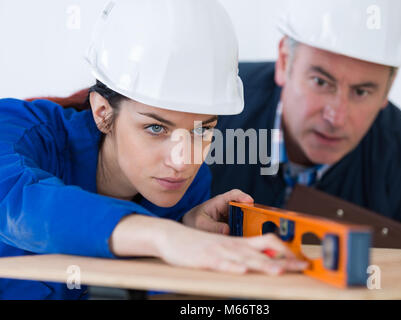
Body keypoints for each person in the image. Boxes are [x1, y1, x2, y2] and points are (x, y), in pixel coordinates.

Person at [0, 0, 307, 300]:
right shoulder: (17, 127)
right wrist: (165, 237)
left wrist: (181, 230)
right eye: (156, 128)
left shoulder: (188, 190)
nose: (182, 161)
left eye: (202, 130)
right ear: (102, 113)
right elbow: (17, 203)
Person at [209, 0, 401, 250]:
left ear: (388, 88)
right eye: (321, 82)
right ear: (284, 61)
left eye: (362, 92)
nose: (336, 116)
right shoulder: (208, 109)